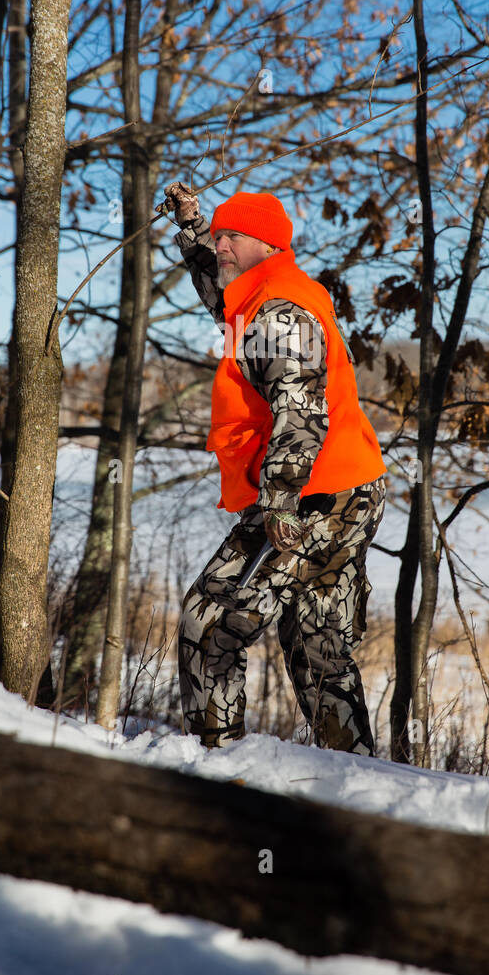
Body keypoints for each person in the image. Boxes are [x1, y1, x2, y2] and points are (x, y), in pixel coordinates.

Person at [162, 181, 386, 755]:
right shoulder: (261, 300)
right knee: (318, 648)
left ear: (266, 243)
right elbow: (222, 294)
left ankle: (217, 772)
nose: (223, 246)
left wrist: (279, 502)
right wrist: (191, 230)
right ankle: (361, 784)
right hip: (347, 487)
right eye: (218, 237)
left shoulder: (278, 315)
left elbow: (301, 413)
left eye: (231, 236)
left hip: (314, 496)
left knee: (211, 622)